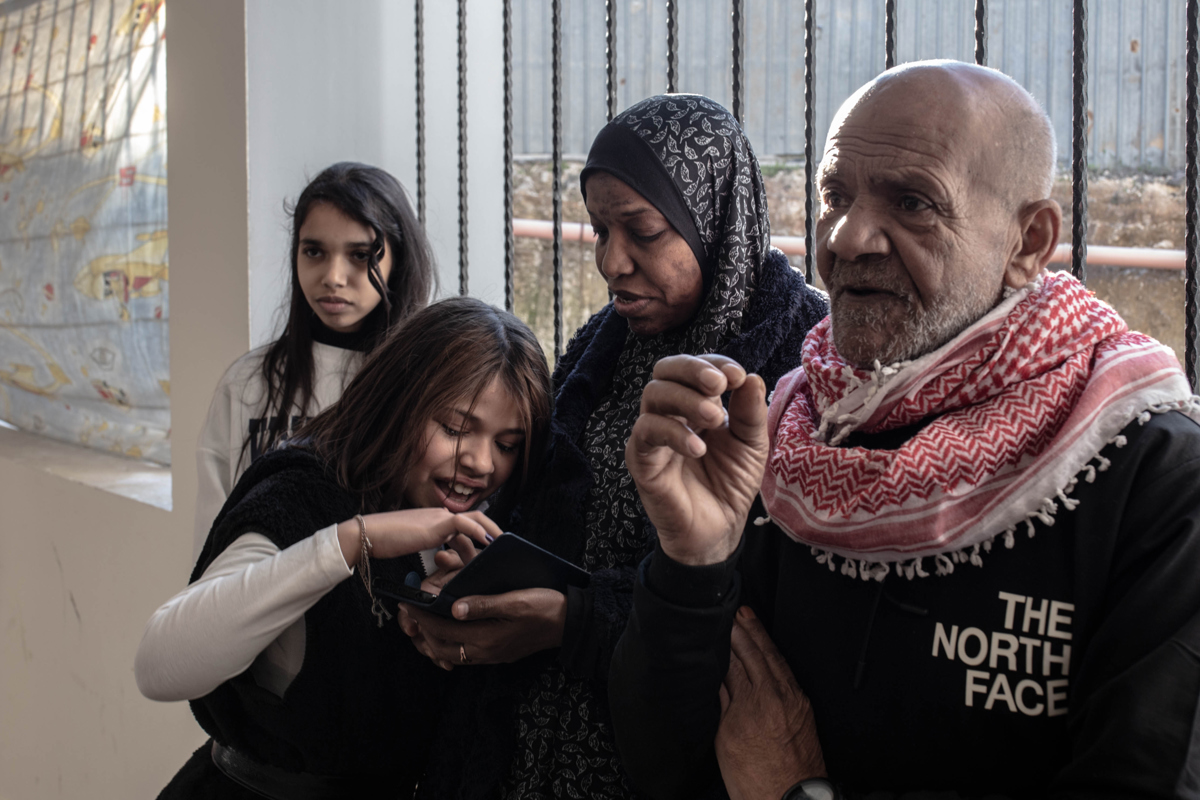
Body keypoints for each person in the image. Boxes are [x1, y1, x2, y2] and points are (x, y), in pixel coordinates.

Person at [611, 61, 1200, 799]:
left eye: (915, 202)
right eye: (834, 195)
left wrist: (799, 794)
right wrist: (691, 564)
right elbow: (664, 762)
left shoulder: (1153, 480)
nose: (849, 237)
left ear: (1028, 242)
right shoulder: (782, 440)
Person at [399, 94, 828, 798]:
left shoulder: (802, 363)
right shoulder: (604, 345)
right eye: (599, 230)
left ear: (714, 217)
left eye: (642, 230)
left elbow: (768, 603)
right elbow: (537, 505)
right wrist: (476, 569)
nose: (611, 261)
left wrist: (574, 620)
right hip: (533, 739)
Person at [135, 297, 553, 799]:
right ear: (399, 400)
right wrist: (349, 542)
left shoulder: (489, 531)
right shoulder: (304, 492)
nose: (482, 464)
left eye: (507, 445)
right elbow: (159, 665)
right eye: (456, 430)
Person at [191, 161, 434, 560]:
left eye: (360, 255)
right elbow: (212, 537)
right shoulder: (248, 383)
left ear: (399, 261)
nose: (333, 276)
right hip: (265, 609)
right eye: (314, 251)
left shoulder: (427, 386)